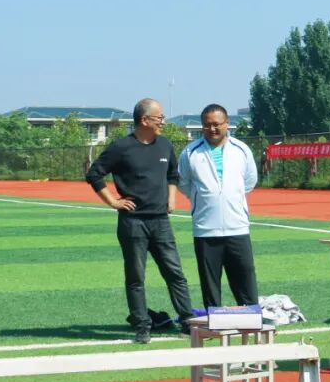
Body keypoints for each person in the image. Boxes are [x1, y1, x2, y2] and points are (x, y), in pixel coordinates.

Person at [85, 98, 194, 344]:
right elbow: (94, 174)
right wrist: (113, 202)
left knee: (175, 273)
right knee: (136, 277)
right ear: (144, 120)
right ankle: (142, 325)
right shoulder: (121, 147)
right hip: (133, 222)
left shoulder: (164, 145)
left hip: (161, 222)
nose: (163, 122)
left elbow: (172, 175)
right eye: (159, 118)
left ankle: (187, 321)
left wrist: (171, 198)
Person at [177, 104, 260, 308]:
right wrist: (204, 198)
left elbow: (249, 180)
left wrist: (230, 196)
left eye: (216, 124)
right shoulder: (190, 152)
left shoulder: (241, 149)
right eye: (207, 125)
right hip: (206, 229)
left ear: (227, 124)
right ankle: (214, 320)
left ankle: (250, 318)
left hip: (237, 227)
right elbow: (183, 182)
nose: (212, 129)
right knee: (210, 286)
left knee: (246, 283)